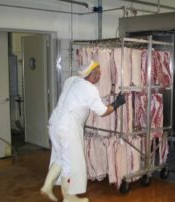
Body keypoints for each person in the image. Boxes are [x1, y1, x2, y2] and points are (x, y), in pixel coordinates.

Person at [40, 60, 125, 202]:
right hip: (67, 127)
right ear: (92, 74)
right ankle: (68, 197)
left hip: (54, 123)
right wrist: (117, 103)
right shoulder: (90, 89)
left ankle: (47, 186)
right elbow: (103, 111)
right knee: (70, 162)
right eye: (98, 73)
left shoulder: (71, 80)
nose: (99, 76)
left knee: (60, 156)